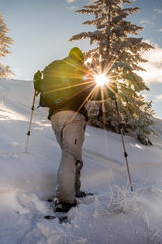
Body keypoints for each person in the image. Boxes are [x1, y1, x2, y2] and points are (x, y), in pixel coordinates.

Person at [34, 47, 115, 212]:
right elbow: (92, 91)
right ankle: (65, 200)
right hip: (74, 116)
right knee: (71, 155)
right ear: (80, 57)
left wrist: (37, 82)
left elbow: (42, 89)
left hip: (56, 117)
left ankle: (74, 190)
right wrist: (110, 92)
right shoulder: (79, 69)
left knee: (71, 154)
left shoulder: (55, 67)